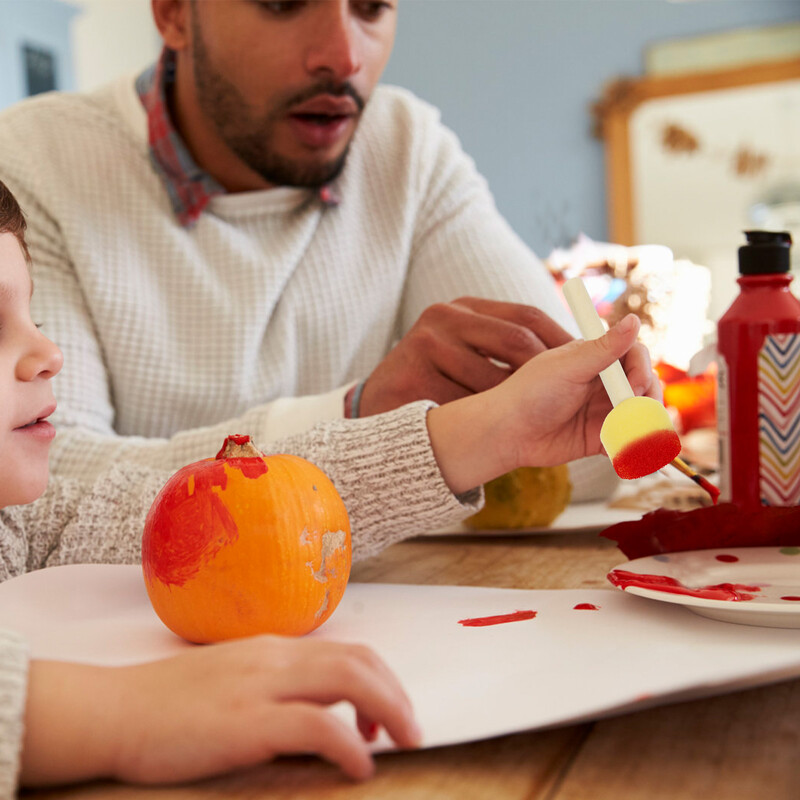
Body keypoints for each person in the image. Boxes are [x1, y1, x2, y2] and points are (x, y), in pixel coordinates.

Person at [0, 177, 659, 794]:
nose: (46, 353)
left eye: (31, 313)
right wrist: (120, 714)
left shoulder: (24, 526)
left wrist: (489, 430)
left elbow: (192, 515)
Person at [0, 0, 628, 497]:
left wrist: (611, 408)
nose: (343, 56)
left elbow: (586, 453)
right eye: (283, 3)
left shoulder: (406, 146)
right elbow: (48, 491)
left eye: (372, 6)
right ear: (174, 13)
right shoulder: (34, 162)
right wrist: (355, 416)